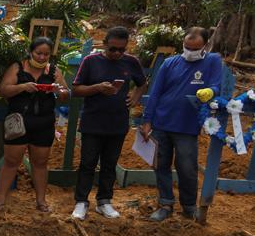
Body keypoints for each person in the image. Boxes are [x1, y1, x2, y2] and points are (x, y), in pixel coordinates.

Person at [142, 27, 224, 221]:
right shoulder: (170, 63)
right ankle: (165, 203)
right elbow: (155, 93)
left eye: (195, 48)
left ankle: (188, 206)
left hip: (187, 126)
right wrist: (147, 120)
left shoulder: (212, 61)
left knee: (187, 167)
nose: (190, 51)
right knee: (160, 165)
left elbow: (217, 85)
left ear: (205, 46)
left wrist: (210, 92)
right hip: (162, 123)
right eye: (187, 47)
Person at [70, 26, 146, 220]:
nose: (117, 53)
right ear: (104, 44)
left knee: (110, 164)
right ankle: (81, 201)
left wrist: (135, 97)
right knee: (87, 163)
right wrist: (96, 88)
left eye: (122, 49)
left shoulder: (131, 62)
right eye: (113, 49)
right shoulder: (90, 61)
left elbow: (142, 83)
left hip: (117, 122)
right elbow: (76, 89)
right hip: (93, 121)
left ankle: (104, 201)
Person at [0, 37, 70, 213]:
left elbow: (66, 94)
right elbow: (4, 89)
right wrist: (22, 87)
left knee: (41, 162)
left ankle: (41, 201)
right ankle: (0, 200)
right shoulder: (17, 68)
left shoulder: (53, 71)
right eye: (39, 53)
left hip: (43, 123)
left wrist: (60, 91)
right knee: (11, 161)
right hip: (18, 122)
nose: (42, 57)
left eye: (46, 54)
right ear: (30, 52)